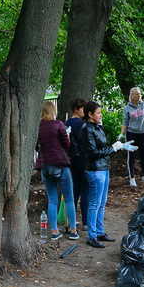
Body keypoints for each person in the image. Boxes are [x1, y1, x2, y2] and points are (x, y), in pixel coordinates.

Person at [83, 101, 138, 248]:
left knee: (101, 203)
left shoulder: (97, 127)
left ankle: (100, 232)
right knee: (94, 204)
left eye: (101, 112)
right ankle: (92, 236)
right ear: (90, 114)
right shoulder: (87, 129)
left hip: (104, 168)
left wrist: (120, 146)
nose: (101, 115)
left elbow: (103, 147)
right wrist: (114, 148)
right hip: (95, 170)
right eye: (98, 113)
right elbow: (93, 153)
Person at [37, 101, 79, 241]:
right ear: (52, 111)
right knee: (69, 199)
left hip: (45, 166)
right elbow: (66, 145)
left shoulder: (38, 127)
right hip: (61, 165)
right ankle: (73, 230)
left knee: (52, 200)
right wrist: (67, 135)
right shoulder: (59, 124)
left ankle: (54, 231)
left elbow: (38, 147)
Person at [119, 87, 144, 187]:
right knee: (131, 156)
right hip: (131, 133)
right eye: (136, 94)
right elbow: (125, 122)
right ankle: (132, 178)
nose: (139, 95)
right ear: (131, 95)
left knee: (143, 155)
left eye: (140, 94)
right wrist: (122, 134)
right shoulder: (127, 108)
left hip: (143, 133)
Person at [65, 98, 87, 230]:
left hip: (70, 160)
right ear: (77, 109)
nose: (84, 111)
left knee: (73, 192)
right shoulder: (82, 124)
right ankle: (86, 222)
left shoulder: (66, 123)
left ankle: (70, 222)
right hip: (82, 160)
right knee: (85, 191)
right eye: (83, 109)